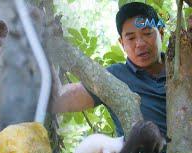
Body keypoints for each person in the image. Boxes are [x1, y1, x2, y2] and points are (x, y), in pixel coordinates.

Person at [52, 2, 166, 138]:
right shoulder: (115, 76)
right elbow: (64, 97)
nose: (140, 43)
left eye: (147, 33)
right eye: (131, 38)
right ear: (122, 43)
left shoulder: (184, 68)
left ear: (161, 33)